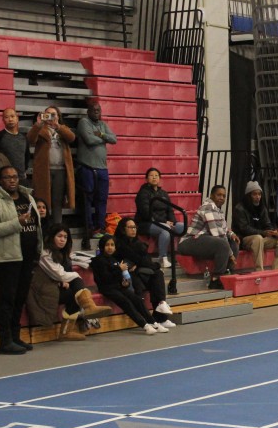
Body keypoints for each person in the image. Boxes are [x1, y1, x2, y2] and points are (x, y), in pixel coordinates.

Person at [0, 166, 44, 353]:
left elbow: (36, 226)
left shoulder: (28, 198)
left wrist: (38, 249)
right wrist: (17, 223)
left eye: (15, 177)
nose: (12, 180)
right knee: (6, 299)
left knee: (19, 299)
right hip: (7, 258)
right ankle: (4, 341)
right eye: (7, 177)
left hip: (28, 256)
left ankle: (15, 337)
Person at [34, 223, 112, 341]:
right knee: (76, 284)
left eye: (65, 237)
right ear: (51, 237)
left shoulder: (62, 253)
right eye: (59, 236)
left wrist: (62, 281)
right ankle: (89, 307)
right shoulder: (45, 253)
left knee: (75, 295)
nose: (62, 240)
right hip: (41, 291)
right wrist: (65, 280)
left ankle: (67, 331)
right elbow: (59, 274)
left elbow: (61, 275)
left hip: (55, 287)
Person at [92, 234, 167, 335]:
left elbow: (118, 277)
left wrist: (125, 283)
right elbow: (106, 278)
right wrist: (119, 269)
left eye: (112, 245)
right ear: (102, 246)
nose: (110, 247)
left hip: (118, 286)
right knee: (125, 302)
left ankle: (153, 323)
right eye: (107, 245)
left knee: (137, 300)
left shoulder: (114, 259)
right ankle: (144, 325)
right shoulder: (98, 261)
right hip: (107, 288)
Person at [114, 217, 175, 328]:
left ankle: (161, 312)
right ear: (123, 229)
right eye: (130, 227)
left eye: (135, 227)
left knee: (157, 274)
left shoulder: (138, 242)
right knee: (150, 274)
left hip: (138, 272)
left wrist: (140, 264)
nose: (133, 230)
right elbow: (138, 258)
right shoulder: (118, 243)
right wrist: (151, 264)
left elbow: (145, 260)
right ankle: (148, 319)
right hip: (125, 276)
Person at [179, 184, 239, 288]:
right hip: (189, 241)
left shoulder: (218, 210)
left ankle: (227, 273)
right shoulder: (208, 207)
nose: (221, 198)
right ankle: (215, 279)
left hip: (204, 240)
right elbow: (217, 233)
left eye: (224, 196)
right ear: (211, 195)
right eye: (218, 195)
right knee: (222, 244)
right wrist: (231, 254)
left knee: (233, 242)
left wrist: (232, 234)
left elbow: (223, 229)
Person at [76, 101, 117, 247]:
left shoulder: (103, 125)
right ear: (88, 111)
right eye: (93, 110)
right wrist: (104, 139)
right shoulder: (84, 122)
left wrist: (101, 134)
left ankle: (101, 227)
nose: (96, 112)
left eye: (98, 110)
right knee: (87, 199)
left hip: (102, 169)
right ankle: (89, 229)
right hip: (87, 167)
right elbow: (89, 140)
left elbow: (114, 139)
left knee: (102, 199)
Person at [27, 106, 76, 225]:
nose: (50, 117)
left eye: (53, 114)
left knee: (57, 202)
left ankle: (57, 228)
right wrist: (38, 125)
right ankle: (43, 228)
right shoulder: (40, 128)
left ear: (58, 116)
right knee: (42, 201)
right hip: (44, 171)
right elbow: (30, 139)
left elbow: (72, 138)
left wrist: (57, 126)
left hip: (60, 170)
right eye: (47, 114)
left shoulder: (63, 128)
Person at [232, 181, 278, 271]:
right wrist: (263, 233)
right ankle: (259, 270)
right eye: (254, 194)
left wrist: (274, 232)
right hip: (245, 240)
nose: (258, 197)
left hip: (261, 238)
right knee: (258, 238)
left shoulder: (262, 208)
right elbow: (244, 228)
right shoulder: (240, 208)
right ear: (249, 195)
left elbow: (267, 224)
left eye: (259, 194)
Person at [135, 168, 184, 268]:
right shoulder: (143, 193)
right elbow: (146, 212)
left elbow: (170, 210)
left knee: (184, 227)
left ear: (159, 178)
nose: (154, 177)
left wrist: (172, 222)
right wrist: (165, 222)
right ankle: (162, 258)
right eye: (151, 175)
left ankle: (180, 255)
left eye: (156, 175)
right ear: (146, 179)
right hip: (146, 223)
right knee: (165, 230)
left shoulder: (164, 193)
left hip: (165, 222)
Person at [0, 108, 30, 186]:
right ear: (3, 120)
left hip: (21, 179)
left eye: (12, 116)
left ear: (17, 118)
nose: (10, 119)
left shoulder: (24, 138)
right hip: (4, 181)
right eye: (7, 117)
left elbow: (26, 157)